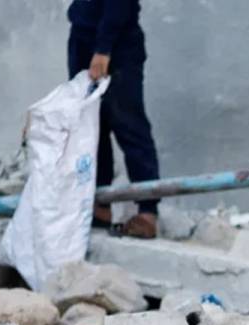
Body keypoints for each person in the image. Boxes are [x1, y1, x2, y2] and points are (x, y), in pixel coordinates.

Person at [67, 0, 160, 239]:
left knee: (129, 125)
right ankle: (100, 206)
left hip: (116, 46)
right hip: (83, 38)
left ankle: (147, 211)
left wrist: (103, 48)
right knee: (91, 127)